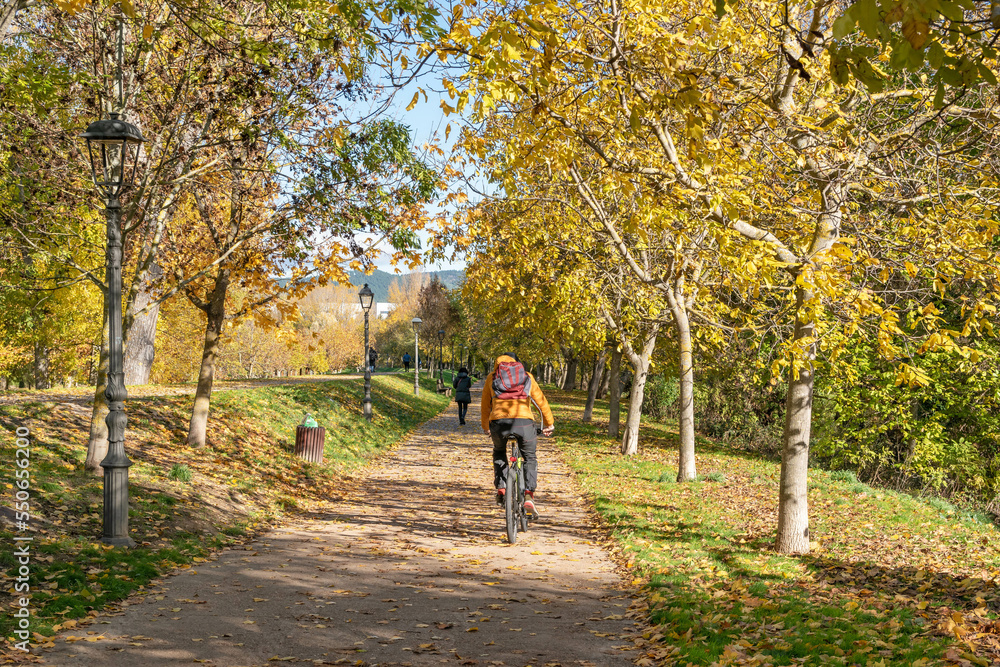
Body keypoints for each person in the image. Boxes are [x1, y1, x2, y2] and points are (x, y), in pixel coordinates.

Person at [481, 353, 554, 515]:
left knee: (499, 451)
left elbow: (486, 405)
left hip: (499, 423)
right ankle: (528, 495)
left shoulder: (492, 378)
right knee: (529, 457)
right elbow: (541, 401)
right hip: (524, 423)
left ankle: (501, 489)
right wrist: (549, 424)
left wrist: (486, 426)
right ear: (517, 363)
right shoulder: (527, 377)